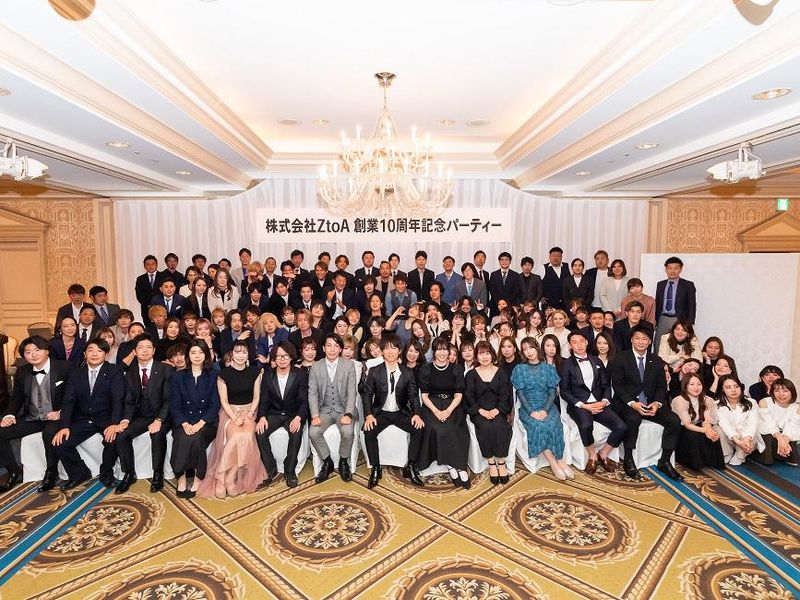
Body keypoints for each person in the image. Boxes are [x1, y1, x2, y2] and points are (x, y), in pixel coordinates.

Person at [608, 326, 683, 480]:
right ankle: (628, 458)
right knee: (633, 418)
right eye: (637, 338)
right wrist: (632, 403)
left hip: (650, 403)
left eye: (644, 339)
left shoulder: (656, 360)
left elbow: (661, 386)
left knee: (674, 421)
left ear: (649, 342)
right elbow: (618, 385)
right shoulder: (621, 358)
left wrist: (657, 403)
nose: (640, 342)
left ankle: (664, 461)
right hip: (627, 402)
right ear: (631, 340)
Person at [0, 336, 70, 493]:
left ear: (47, 351)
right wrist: (9, 415)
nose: (33, 354)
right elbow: (16, 398)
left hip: (56, 416)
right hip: (33, 417)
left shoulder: (64, 368)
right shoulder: (22, 371)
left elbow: (74, 396)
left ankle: (51, 472)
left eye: (37, 350)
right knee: (1, 432)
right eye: (28, 352)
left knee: (49, 433)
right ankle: (13, 471)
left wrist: (61, 412)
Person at [53, 339, 124, 489]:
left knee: (113, 440)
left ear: (106, 354)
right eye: (90, 350)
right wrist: (64, 426)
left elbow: (118, 400)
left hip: (106, 418)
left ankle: (106, 473)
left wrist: (114, 424)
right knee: (60, 443)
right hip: (83, 419)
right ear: (85, 354)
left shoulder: (114, 371)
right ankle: (79, 473)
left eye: (99, 351)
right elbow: (68, 401)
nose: (94, 354)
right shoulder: (76, 373)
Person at [198, 340, 265, 498]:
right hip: (229, 412)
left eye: (244, 352)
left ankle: (228, 477)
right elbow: (223, 400)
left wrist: (249, 414)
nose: (240, 355)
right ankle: (220, 476)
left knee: (246, 436)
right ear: (231, 354)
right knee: (235, 436)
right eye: (237, 352)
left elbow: (256, 397)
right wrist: (235, 418)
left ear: (248, 354)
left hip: (249, 411)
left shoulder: (255, 372)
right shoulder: (223, 374)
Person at [361, 333, 425, 488]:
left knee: (419, 428)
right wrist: (369, 415)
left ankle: (411, 465)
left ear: (399, 351)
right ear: (382, 350)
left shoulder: (407, 372)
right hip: (380, 412)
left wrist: (417, 414)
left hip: (400, 412)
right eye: (387, 348)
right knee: (368, 430)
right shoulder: (374, 371)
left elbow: (413, 396)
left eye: (394, 348)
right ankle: (376, 467)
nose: (390, 351)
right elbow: (367, 395)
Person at [560, 331, 626, 474]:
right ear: (570, 345)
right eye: (574, 342)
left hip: (598, 403)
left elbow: (606, 385)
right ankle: (592, 455)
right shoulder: (566, 364)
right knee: (586, 425)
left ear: (586, 342)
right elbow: (564, 392)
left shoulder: (596, 360)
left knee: (621, 427)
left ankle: (603, 453)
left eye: (581, 341)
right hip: (580, 405)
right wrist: (583, 406)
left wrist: (604, 401)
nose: (579, 345)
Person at [115, 334, 174, 494]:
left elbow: (168, 399)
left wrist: (159, 419)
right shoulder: (131, 372)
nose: (145, 351)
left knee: (157, 434)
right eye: (140, 347)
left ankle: (158, 473)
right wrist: (126, 419)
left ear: (154, 350)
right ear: (135, 351)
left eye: (148, 347)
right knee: (122, 436)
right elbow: (129, 400)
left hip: (162, 415)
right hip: (141, 416)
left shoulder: (166, 369)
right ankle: (129, 473)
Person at [511, 337, 572, 480]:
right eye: (525, 349)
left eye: (531, 347)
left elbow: (552, 393)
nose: (528, 351)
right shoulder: (519, 369)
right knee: (538, 426)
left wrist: (545, 410)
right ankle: (553, 463)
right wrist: (531, 411)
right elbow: (520, 394)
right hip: (528, 408)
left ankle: (561, 460)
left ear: (537, 348)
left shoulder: (548, 368)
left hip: (548, 406)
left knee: (553, 425)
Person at [417, 337, 470, 488]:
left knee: (455, 428)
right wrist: (436, 411)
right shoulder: (425, 370)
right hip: (432, 404)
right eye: (438, 349)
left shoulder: (457, 369)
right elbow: (424, 396)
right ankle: (451, 465)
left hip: (452, 404)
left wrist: (448, 410)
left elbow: (459, 395)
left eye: (444, 349)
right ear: (433, 351)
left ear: (449, 351)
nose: (442, 353)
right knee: (437, 427)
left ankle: (460, 467)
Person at [169, 340, 220, 498]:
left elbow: (215, 405)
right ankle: (181, 477)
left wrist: (200, 423)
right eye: (193, 352)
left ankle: (198, 477)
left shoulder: (213, 375)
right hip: (184, 420)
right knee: (181, 437)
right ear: (188, 355)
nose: (197, 356)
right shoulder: (178, 377)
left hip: (206, 421)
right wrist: (184, 423)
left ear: (206, 355)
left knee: (197, 438)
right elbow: (175, 405)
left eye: (200, 352)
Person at [254, 342, 308, 488]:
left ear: (291, 357)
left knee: (296, 433)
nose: (282, 359)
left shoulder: (300, 374)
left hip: (293, 414)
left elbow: (303, 400)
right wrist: (262, 417)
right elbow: (264, 399)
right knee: (260, 432)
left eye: (285, 356)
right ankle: (270, 468)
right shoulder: (268, 375)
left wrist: (299, 418)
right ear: (274, 358)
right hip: (274, 413)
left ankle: (290, 470)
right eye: (278, 356)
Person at [307, 334, 358, 483]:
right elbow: (312, 393)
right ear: (323, 348)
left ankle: (343, 461)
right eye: (328, 345)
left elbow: (352, 392)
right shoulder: (316, 367)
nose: (332, 349)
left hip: (343, 409)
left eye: (336, 346)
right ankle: (327, 461)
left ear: (340, 349)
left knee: (347, 431)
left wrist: (348, 413)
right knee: (313, 432)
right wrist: (315, 415)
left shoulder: (349, 365)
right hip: (324, 410)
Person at [464, 342, 513, 485]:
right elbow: (469, 397)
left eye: (487, 353)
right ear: (476, 356)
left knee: (501, 426)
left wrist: (497, 410)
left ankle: (501, 461)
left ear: (492, 355)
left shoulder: (501, 372)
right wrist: (481, 411)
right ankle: (491, 462)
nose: (484, 357)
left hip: (498, 410)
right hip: (479, 411)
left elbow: (506, 395)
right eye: (481, 353)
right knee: (485, 427)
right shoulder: (471, 374)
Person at [671, 374, 724, 470]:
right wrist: (704, 431)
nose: (696, 387)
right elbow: (687, 424)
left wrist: (709, 431)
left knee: (713, 433)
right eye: (692, 384)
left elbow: (705, 420)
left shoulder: (706, 399)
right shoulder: (680, 400)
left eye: (699, 384)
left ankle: (710, 461)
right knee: (693, 436)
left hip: (697, 425)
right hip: (682, 429)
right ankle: (693, 463)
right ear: (685, 385)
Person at [714, 375, 762, 466]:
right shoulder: (716, 404)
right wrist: (738, 441)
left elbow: (752, 423)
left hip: (747, 438)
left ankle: (740, 455)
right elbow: (725, 425)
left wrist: (746, 439)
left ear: (740, 387)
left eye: (736, 386)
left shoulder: (751, 402)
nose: (733, 390)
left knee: (750, 433)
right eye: (728, 387)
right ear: (722, 390)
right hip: (732, 438)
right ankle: (727, 452)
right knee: (717, 428)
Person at [755, 378, 800, 466]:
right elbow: (769, 423)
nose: (781, 394)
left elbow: (792, 425)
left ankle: (782, 452)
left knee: (793, 438)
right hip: (767, 432)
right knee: (768, 437)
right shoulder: (764, 402)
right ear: (772, 392)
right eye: (776, 390)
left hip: (785, 434)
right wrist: (780, 438)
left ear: (792, 392)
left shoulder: (796, 407)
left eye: (785, 391)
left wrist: (785, 440)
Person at [655, 256, 697, 344]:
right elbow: (657, 303)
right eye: (670, 268)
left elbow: (692, 305)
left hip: (679, 319)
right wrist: (656, 320)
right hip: (663, 319)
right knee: (658, 344)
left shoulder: (688, 285)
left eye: (676, 268)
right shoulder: (660, 284)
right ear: (666, 269)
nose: (672, 271)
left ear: (680, 269)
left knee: (678, 345)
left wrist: (689, 323)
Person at [135, 255, 161, 326]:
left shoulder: (163, 276)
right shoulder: (140, 279)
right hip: (146, 310)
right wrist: (149, 305)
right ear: (144, 266)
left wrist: (158, 305)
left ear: (156, 265)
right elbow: (139, 295)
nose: (150, 266)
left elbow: (166, 293)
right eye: (148, 264)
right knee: (149, 329)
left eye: (153, 264)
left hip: (161, 308)